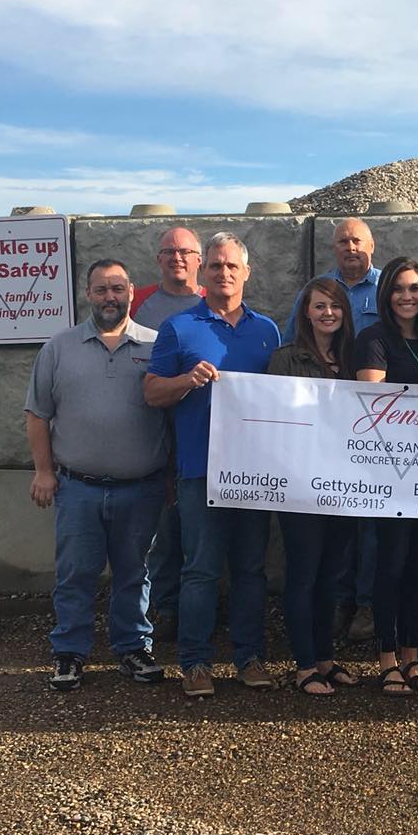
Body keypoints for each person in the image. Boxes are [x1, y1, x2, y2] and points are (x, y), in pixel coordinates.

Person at [144, 232, 281, 698]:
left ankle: (249, 657)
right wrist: (186, 380)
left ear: (247, 273)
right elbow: (151, 392)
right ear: (204, 272)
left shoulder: (268, 331)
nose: (224, 273)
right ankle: (195, 663)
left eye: (232, 266)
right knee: (200, 569)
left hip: (256, 472)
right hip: (200, 470)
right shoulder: (179, 328)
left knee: (250, 570)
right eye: (216, 265)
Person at [25, 259, 168, 691]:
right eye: (102, 289)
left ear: (131, 293)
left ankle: (133, 648)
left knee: (134, 574)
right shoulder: (59, 347)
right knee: (75, 574)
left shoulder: (156, 345)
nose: (110, 297)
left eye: (118, 289)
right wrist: (43, 472)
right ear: (87, 293)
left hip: (141, 488)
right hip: (77, 487)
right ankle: (69, 652)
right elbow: (37, 414)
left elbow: (172, 415)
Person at [282, 218, 382, 641]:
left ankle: (367, 604)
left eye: (357, 240)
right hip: (316, 444)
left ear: (371, 245)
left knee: (370, 527)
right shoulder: (315, 289)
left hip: (372, 432)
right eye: (342, 241)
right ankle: (336, 605)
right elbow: (292, 351)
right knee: (332, 529)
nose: (350, 247)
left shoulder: (387, 287)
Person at [355, 257, 418, 695]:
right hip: (389, 472)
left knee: (415, 565)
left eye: (415, 288)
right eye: (398, 288)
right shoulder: (373, 339)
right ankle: (387, 658)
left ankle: (412, 655)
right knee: (389, 563)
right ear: (385, 293)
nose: (406, 297)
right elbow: (374, 406)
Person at [267, 278, 361, 695]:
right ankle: (304, 665)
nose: (328, 313)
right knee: (304, 573)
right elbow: (273, 420)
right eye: (319, 306)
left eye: (335, 306)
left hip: (346, 484)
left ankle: (325, 658)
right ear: (305, 312)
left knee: (331, 575)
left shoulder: (356, 359)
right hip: (300, 485)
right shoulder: (285, 359)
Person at [131, 227, 207, 642]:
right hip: (149, 428)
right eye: (169, 251)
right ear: (158, 259)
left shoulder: (215, 302)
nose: (177, 257)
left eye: (185, 251)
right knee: (160, 530)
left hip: (197, 433)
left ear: (199, 260)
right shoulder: (139, 303)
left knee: (197, 529)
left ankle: (198, 606)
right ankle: (165, 607)